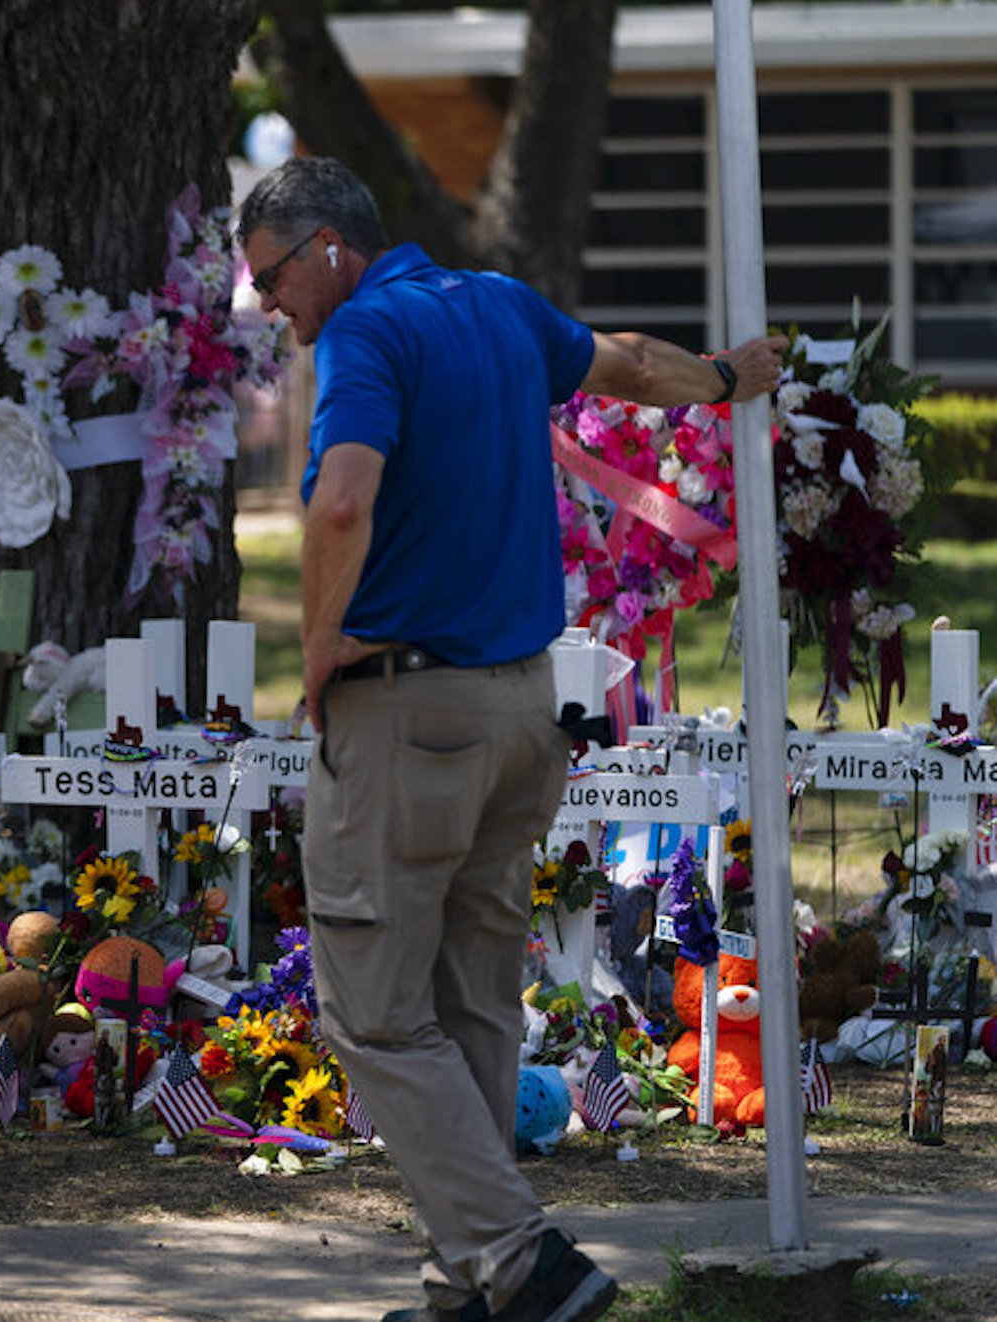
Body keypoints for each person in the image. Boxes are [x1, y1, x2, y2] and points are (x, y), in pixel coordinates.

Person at [235, 156, 785, 1322]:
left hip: (407, 714)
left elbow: (339, 501)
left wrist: (320, 648)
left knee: (375, 1012)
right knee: (476, 1000)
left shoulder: (367, 335)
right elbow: (632, 363)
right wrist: (732, 376)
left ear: (330, 246)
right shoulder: (495, 302)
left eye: (271, 279)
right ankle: (468, 1287)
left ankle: (520, 1257)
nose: (269, 308)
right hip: (526, 708)